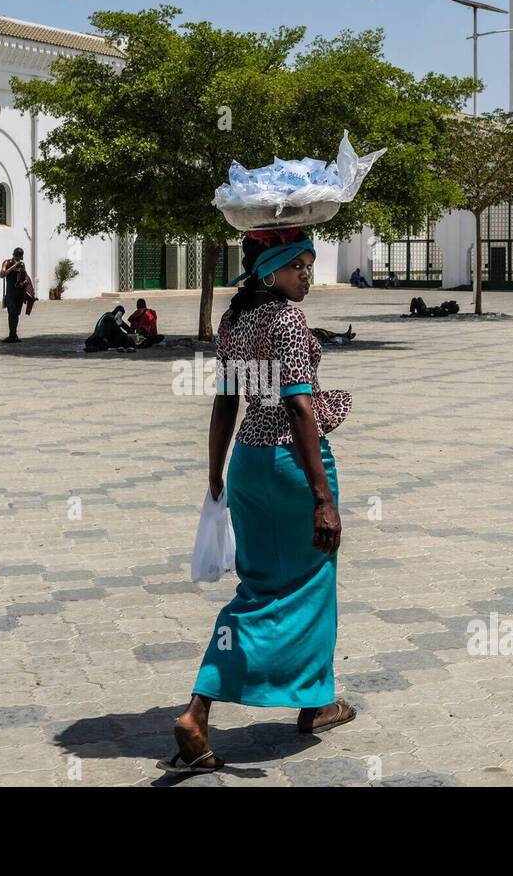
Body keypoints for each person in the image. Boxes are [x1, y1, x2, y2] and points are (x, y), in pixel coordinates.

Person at [160, 227, 354, 775]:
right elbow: (299, 408)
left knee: (261, 584)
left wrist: (216, 471)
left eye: (310, 266)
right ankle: (301, 704)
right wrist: (322, 497)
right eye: (298, 267)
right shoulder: (286, 319)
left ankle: (222, 707)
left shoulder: (234, 321)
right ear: (270, 271)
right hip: (292, 466)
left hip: (247, 462)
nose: (307, 276)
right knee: (311, 582)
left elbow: (226, 401)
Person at [0, 248, 35, 343]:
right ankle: (12, 335)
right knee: (12, 313)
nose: (18, 259)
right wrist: (13, 267)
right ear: (14, 255)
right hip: (10, 293)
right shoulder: (7, 262)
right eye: (17, 257)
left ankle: (14, 335)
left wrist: (21, 270)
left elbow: (23, 278)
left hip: (19, 294)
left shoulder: (22, 265)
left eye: (20, 257)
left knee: (16, 314)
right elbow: (2, 274)